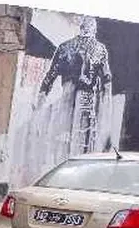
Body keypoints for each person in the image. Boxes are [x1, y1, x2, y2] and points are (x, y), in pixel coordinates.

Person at [39, 16, 113, 154]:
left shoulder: (64, 47)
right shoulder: (100, 50)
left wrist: (39, 103)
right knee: (82, 141)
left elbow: (50, 77)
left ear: (81, 28)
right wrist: (105, 113)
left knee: (63, 139)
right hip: (86, 99)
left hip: (66, 97)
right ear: (94, 30)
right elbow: (107, 80)